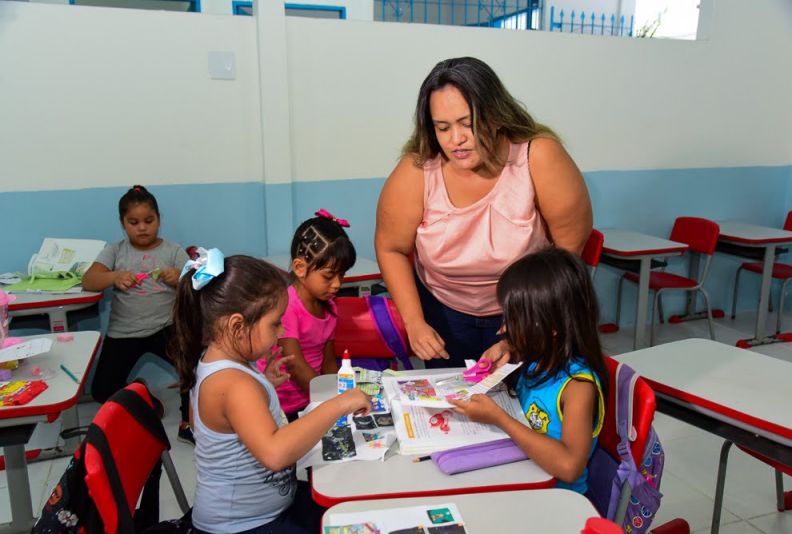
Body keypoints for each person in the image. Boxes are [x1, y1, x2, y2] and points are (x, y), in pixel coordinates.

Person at [375, 57, 593, 368]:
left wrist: (527, 327)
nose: (456, 139)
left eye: (468, 123)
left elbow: (568, 254)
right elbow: (391, 247)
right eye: (443, 127)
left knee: (523, 406)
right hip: (443, 313)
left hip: (528, 307)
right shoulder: (417, 169)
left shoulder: (539, 157)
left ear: (495, 115)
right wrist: (414, 322)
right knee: (453, 405)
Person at [171, 252, 372, 533]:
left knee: (346, 503)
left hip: (265, 509)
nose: (282, 331)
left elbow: (223, 421)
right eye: (275, 323)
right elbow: (275, 453)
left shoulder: (220, 362)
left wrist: (263, 383)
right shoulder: (233, 384)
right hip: (243, 527)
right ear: (237, 326)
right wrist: (339, 404)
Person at [449, 248, 608, 494]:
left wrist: (500, 419)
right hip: (520, 477)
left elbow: (570, 467)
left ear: (551, 326)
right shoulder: (538, 355)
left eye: (513, 320)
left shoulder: (578, 387)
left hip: (555, 497)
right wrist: (508, 345)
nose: (503, 328)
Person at [83, 185, 193, 444]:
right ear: (123, 224)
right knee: (101, 390)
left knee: (194, 371)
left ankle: (188, 423)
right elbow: (89, 280)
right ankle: (143, 397)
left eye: (148, 221)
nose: (142, 227)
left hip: (166, 327)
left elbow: (196, 282)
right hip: (124, 332)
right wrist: (113, 277)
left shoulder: (172, 250)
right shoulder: (116, 251)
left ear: (158, 219)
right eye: (133, 222)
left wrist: (180, 277)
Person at [274, 210, 356, 421]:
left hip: (314, 397)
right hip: (284, 405)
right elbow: (295, 365)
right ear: (300, 268)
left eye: (342, 274)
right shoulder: (288, 306)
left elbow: (328, 361)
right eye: (329, 276)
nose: (338, 284)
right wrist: (332, 403)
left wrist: (337, 394)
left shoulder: (329, 305)